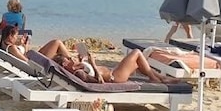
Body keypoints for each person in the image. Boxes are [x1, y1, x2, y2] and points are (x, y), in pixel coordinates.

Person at [49, 43, 178, 84]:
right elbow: (99, 82)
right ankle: (155, 78)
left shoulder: (77, 67)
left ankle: (162, 78)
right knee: (137, 52)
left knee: (137, 63)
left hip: (114, 72)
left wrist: (81, 59)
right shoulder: (78, 73)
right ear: (64, 65)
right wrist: (93, 64)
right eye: (68, 59)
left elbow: (88, 70)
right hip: (114, 76)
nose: (70, 59)